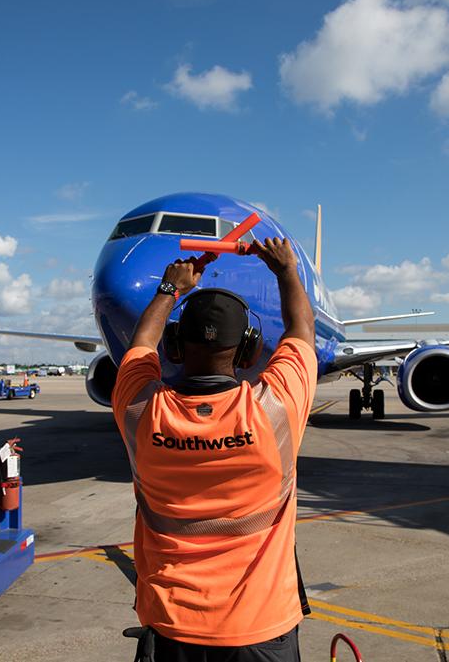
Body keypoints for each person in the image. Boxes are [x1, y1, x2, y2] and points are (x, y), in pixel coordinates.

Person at [113, 237, 317, 662]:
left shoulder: (140, 411)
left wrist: (169, 290)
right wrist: (286, 270)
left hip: (172, 627)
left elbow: (138, 349)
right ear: (248, 351)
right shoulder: (274, 410)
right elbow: (301, 333)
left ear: (173, 347)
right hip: (259, 628)